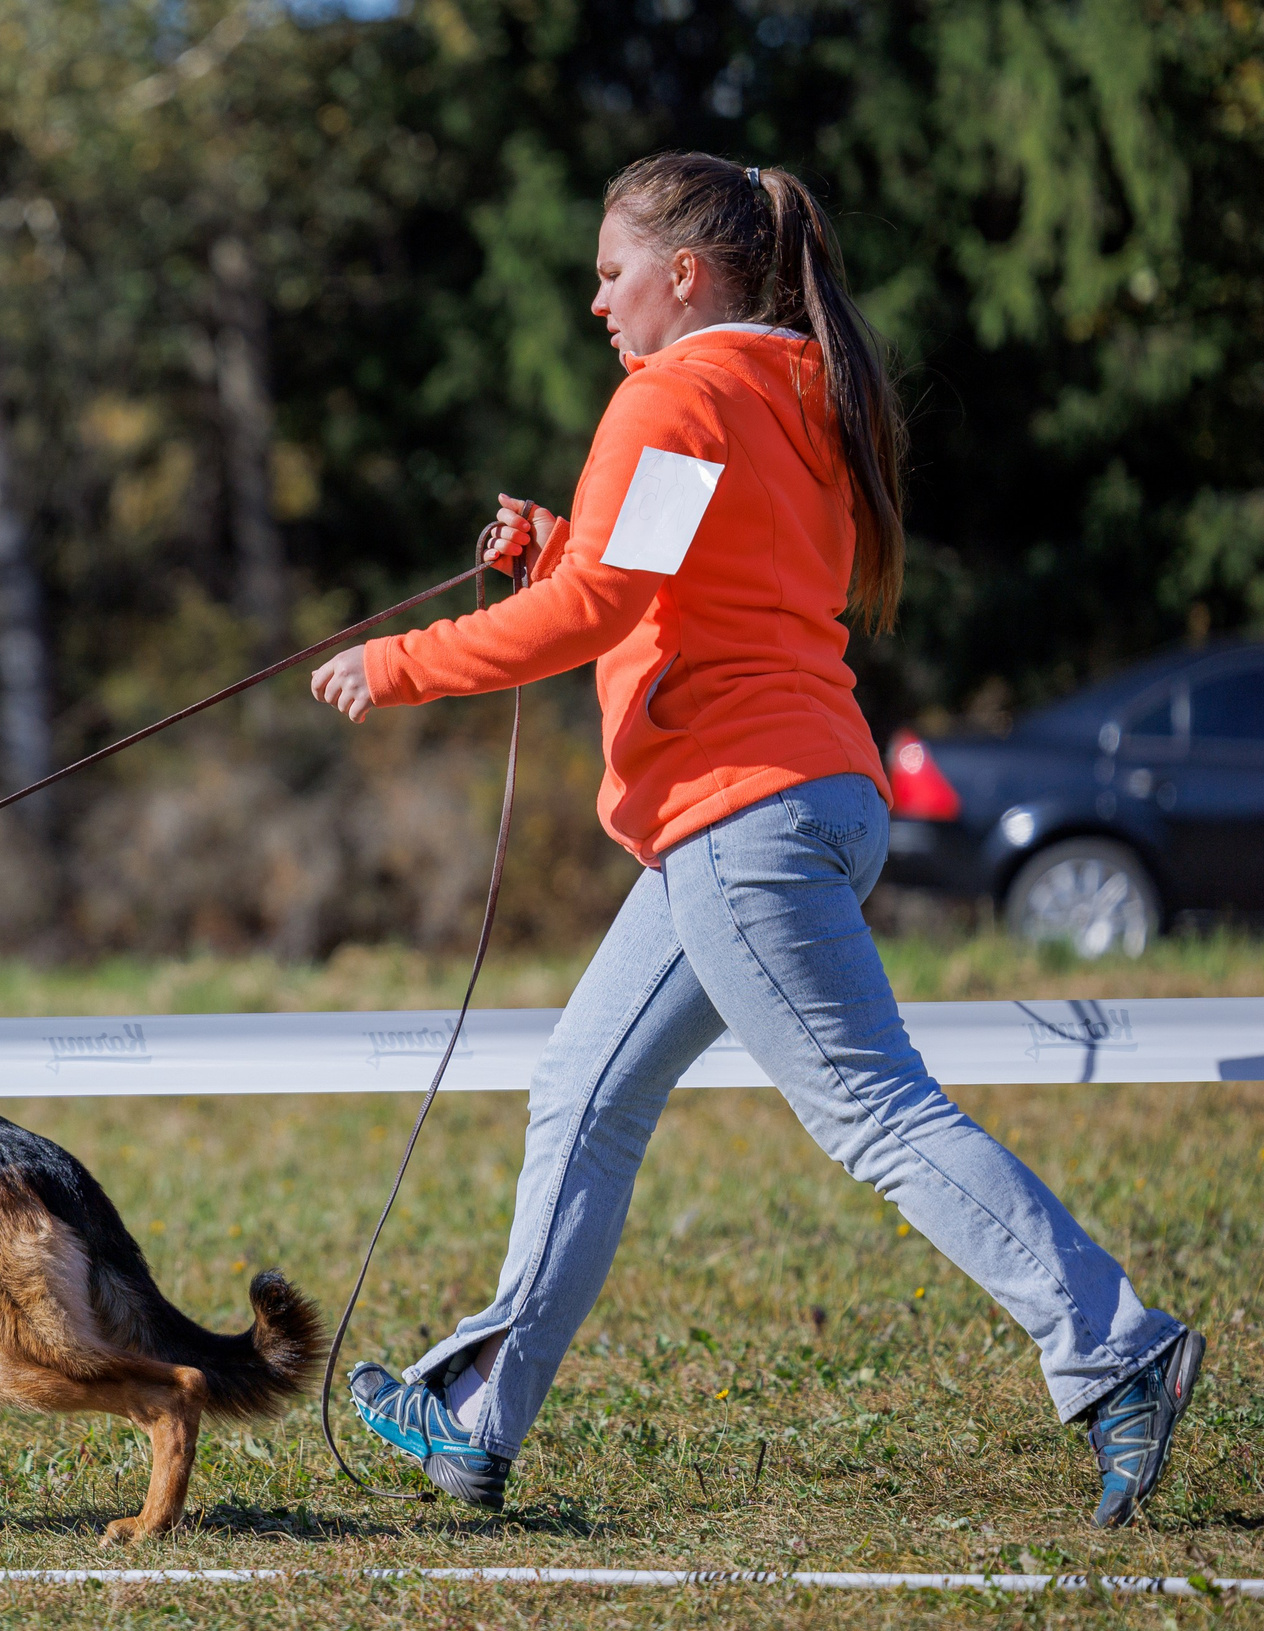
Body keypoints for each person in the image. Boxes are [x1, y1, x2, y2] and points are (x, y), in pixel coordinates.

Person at [309, 153, 1200, 1530]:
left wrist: (405, 662)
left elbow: (609, 609)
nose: (595, 299)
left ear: (687, 273)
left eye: (612, 271)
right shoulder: (788, 391)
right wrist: (557, 550)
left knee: (874, 1111)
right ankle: (479, 1422)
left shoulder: (673, 393)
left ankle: (1116, 1346)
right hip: (804, 801)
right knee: (585, 1095)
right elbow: (666, 583)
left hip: (742, 811)